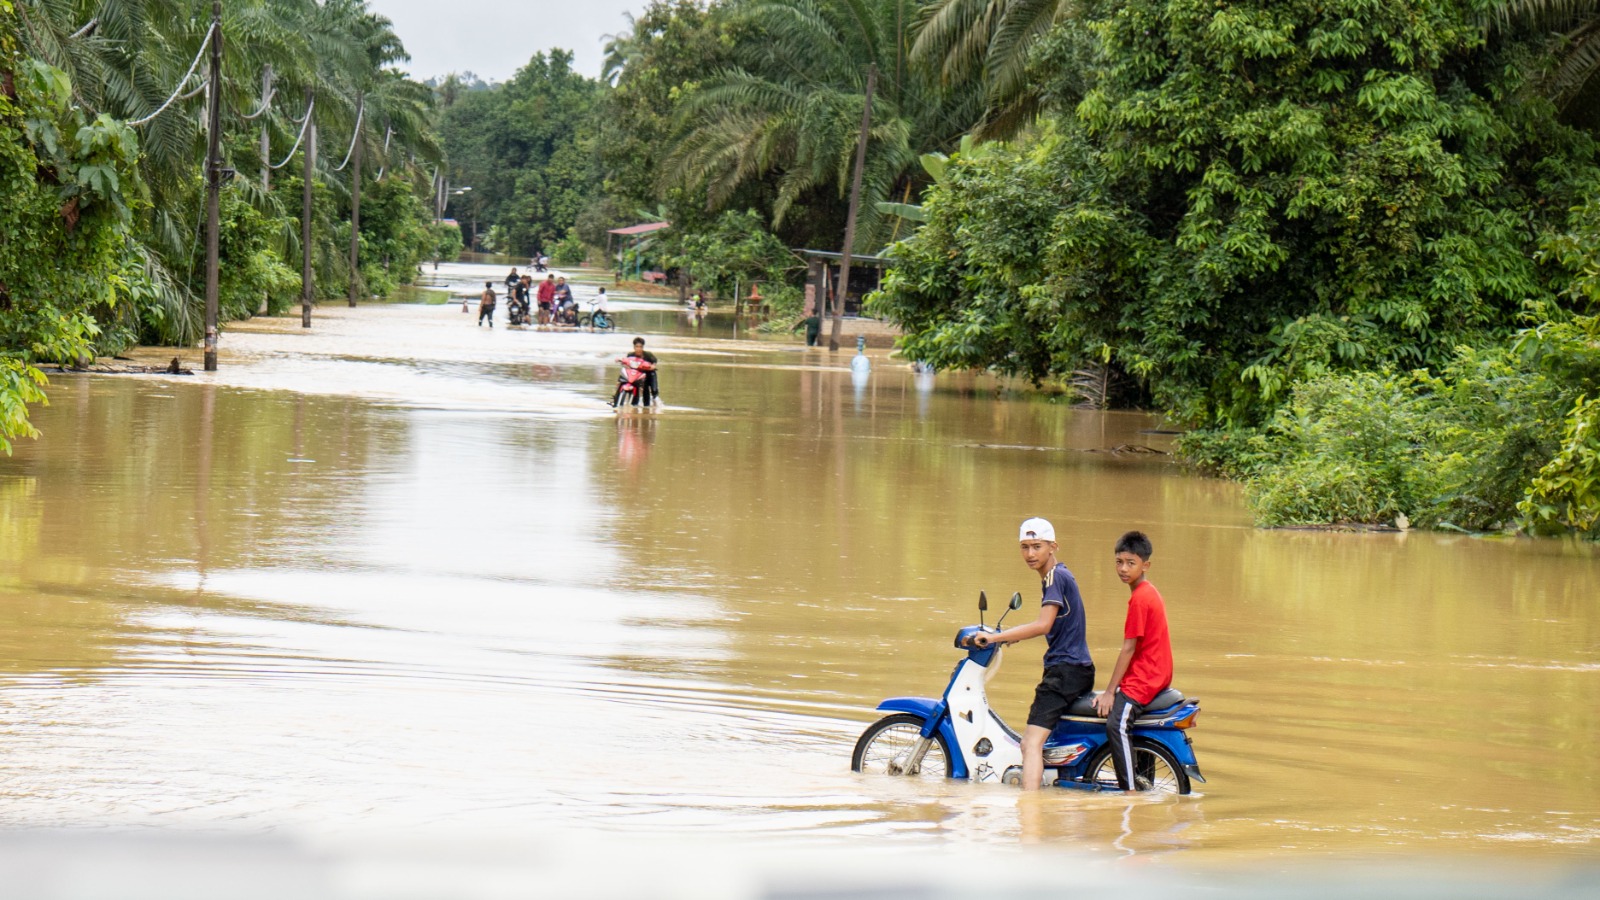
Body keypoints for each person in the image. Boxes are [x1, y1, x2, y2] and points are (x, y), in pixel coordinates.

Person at [970, 518, 1094, 790]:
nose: (1030, 554)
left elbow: (1043, 624)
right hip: (1077, 668)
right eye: (1025, 547)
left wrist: (996, 637)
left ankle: (1030, 810)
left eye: (1037, 546)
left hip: (1065, 670)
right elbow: (1055, 624)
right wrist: (1010, 637)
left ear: (1053, 547)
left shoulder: (1055, 577)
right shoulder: (1060, 575)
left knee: (1030, 744)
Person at [1092, 530, 1173, 791]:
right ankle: (1144, 780)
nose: (1123, 569)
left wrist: (1109, 692)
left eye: (1131, 563)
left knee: (1116, 725)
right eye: (1119, 562)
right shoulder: (1147, 592)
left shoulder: (1140, 599)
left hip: (1146, 676)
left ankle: (1130, 791)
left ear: (1145, 565)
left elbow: (1128, 648)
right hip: (1154, 672)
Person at [625, 336, 658, 407]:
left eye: (640, 347)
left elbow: (654, 362)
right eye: (637, 346)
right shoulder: (630, 355)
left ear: (643, 347)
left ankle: (653, 403)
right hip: (637, 375)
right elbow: (627, 364)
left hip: (649, 374)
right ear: (634, 347)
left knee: (653, 390)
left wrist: (652, 366)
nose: (638, 349)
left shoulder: (648, 355)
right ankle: (634, 405)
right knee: (635, 387)